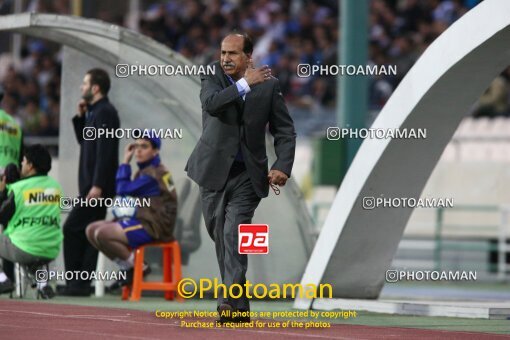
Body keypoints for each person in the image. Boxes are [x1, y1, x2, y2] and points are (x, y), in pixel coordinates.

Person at [185, 32, 296, 323]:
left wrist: (282, 165)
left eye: (233, 54)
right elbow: (212, 104)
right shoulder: (211, 75)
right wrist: (246, 83)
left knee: (233, 232)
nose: (225, 59)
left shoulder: (269, 86)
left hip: (248, 174)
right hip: (212, 171)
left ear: (249, 56)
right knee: (220, 235)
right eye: (223, 52)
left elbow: (284, 130)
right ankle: (239, 304)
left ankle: (227, 301)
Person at [85, 134, 177, 288]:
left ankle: (140, 268)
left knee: (101, 233)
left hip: (154, 227)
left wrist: (125, 162)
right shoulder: (146, 171)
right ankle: (129, 266)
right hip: (144, 220)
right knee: (91, 230)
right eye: (136, 146)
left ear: (155, 151)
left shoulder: (154, 173)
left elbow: (122, 190)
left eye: (144, 146)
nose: (138, 151)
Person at [59, 68, 120, 296]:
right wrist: (82, 117)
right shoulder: (96, 111)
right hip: (92, 187)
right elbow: (86, 143)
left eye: (85, 83)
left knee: (72, 228)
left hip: (97, 188)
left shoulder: (106, 112)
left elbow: (105, 152)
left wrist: (98, 185)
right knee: (86, 232)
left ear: (95, 88)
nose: (81, 87)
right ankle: (79, 284)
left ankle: (78, 283)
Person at [0, 144, 63, 299]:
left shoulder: (18, 188)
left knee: (26, 245)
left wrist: (2, 193)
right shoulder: (56, 187)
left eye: (23, 161)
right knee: (35, 247)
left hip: (24, 247)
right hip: (51, 248)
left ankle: (2, 279)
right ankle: (42, 284)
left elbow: (2, 216)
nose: (21, 164)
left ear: (30, 165)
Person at [0, 84, 23, 284]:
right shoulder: (13, 124)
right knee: (8, 227)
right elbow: (22, 154)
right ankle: (8, 277)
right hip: (12, 180)